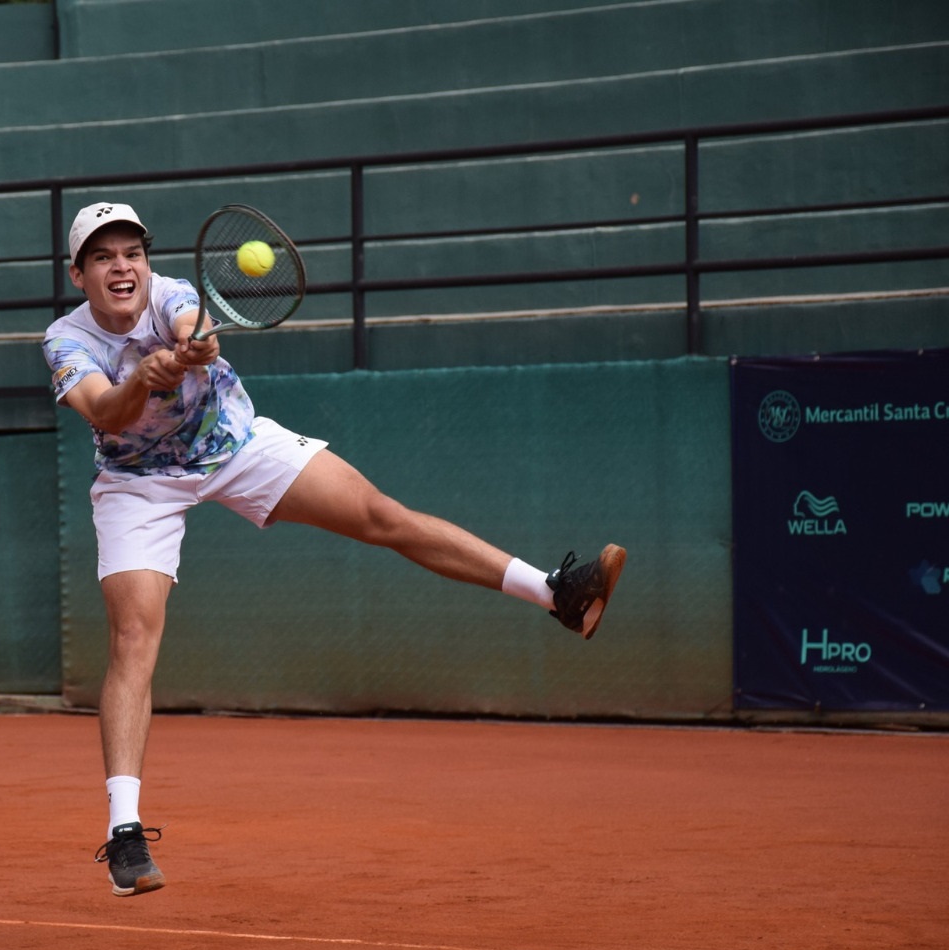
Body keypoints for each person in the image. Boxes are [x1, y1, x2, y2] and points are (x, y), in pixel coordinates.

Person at [43, 202, 625, 898]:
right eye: (103, 256)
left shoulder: (172, 294)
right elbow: (106, 410)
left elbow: (197, 331)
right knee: (134, 633)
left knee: (383, 515)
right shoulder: (63, 340)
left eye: (131, 252)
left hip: (232, 445)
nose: (122, 266)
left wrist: (194, 347)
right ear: (79, 273)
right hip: (139, 485)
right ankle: (126, 832)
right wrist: (143, 377)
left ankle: (558, 592)